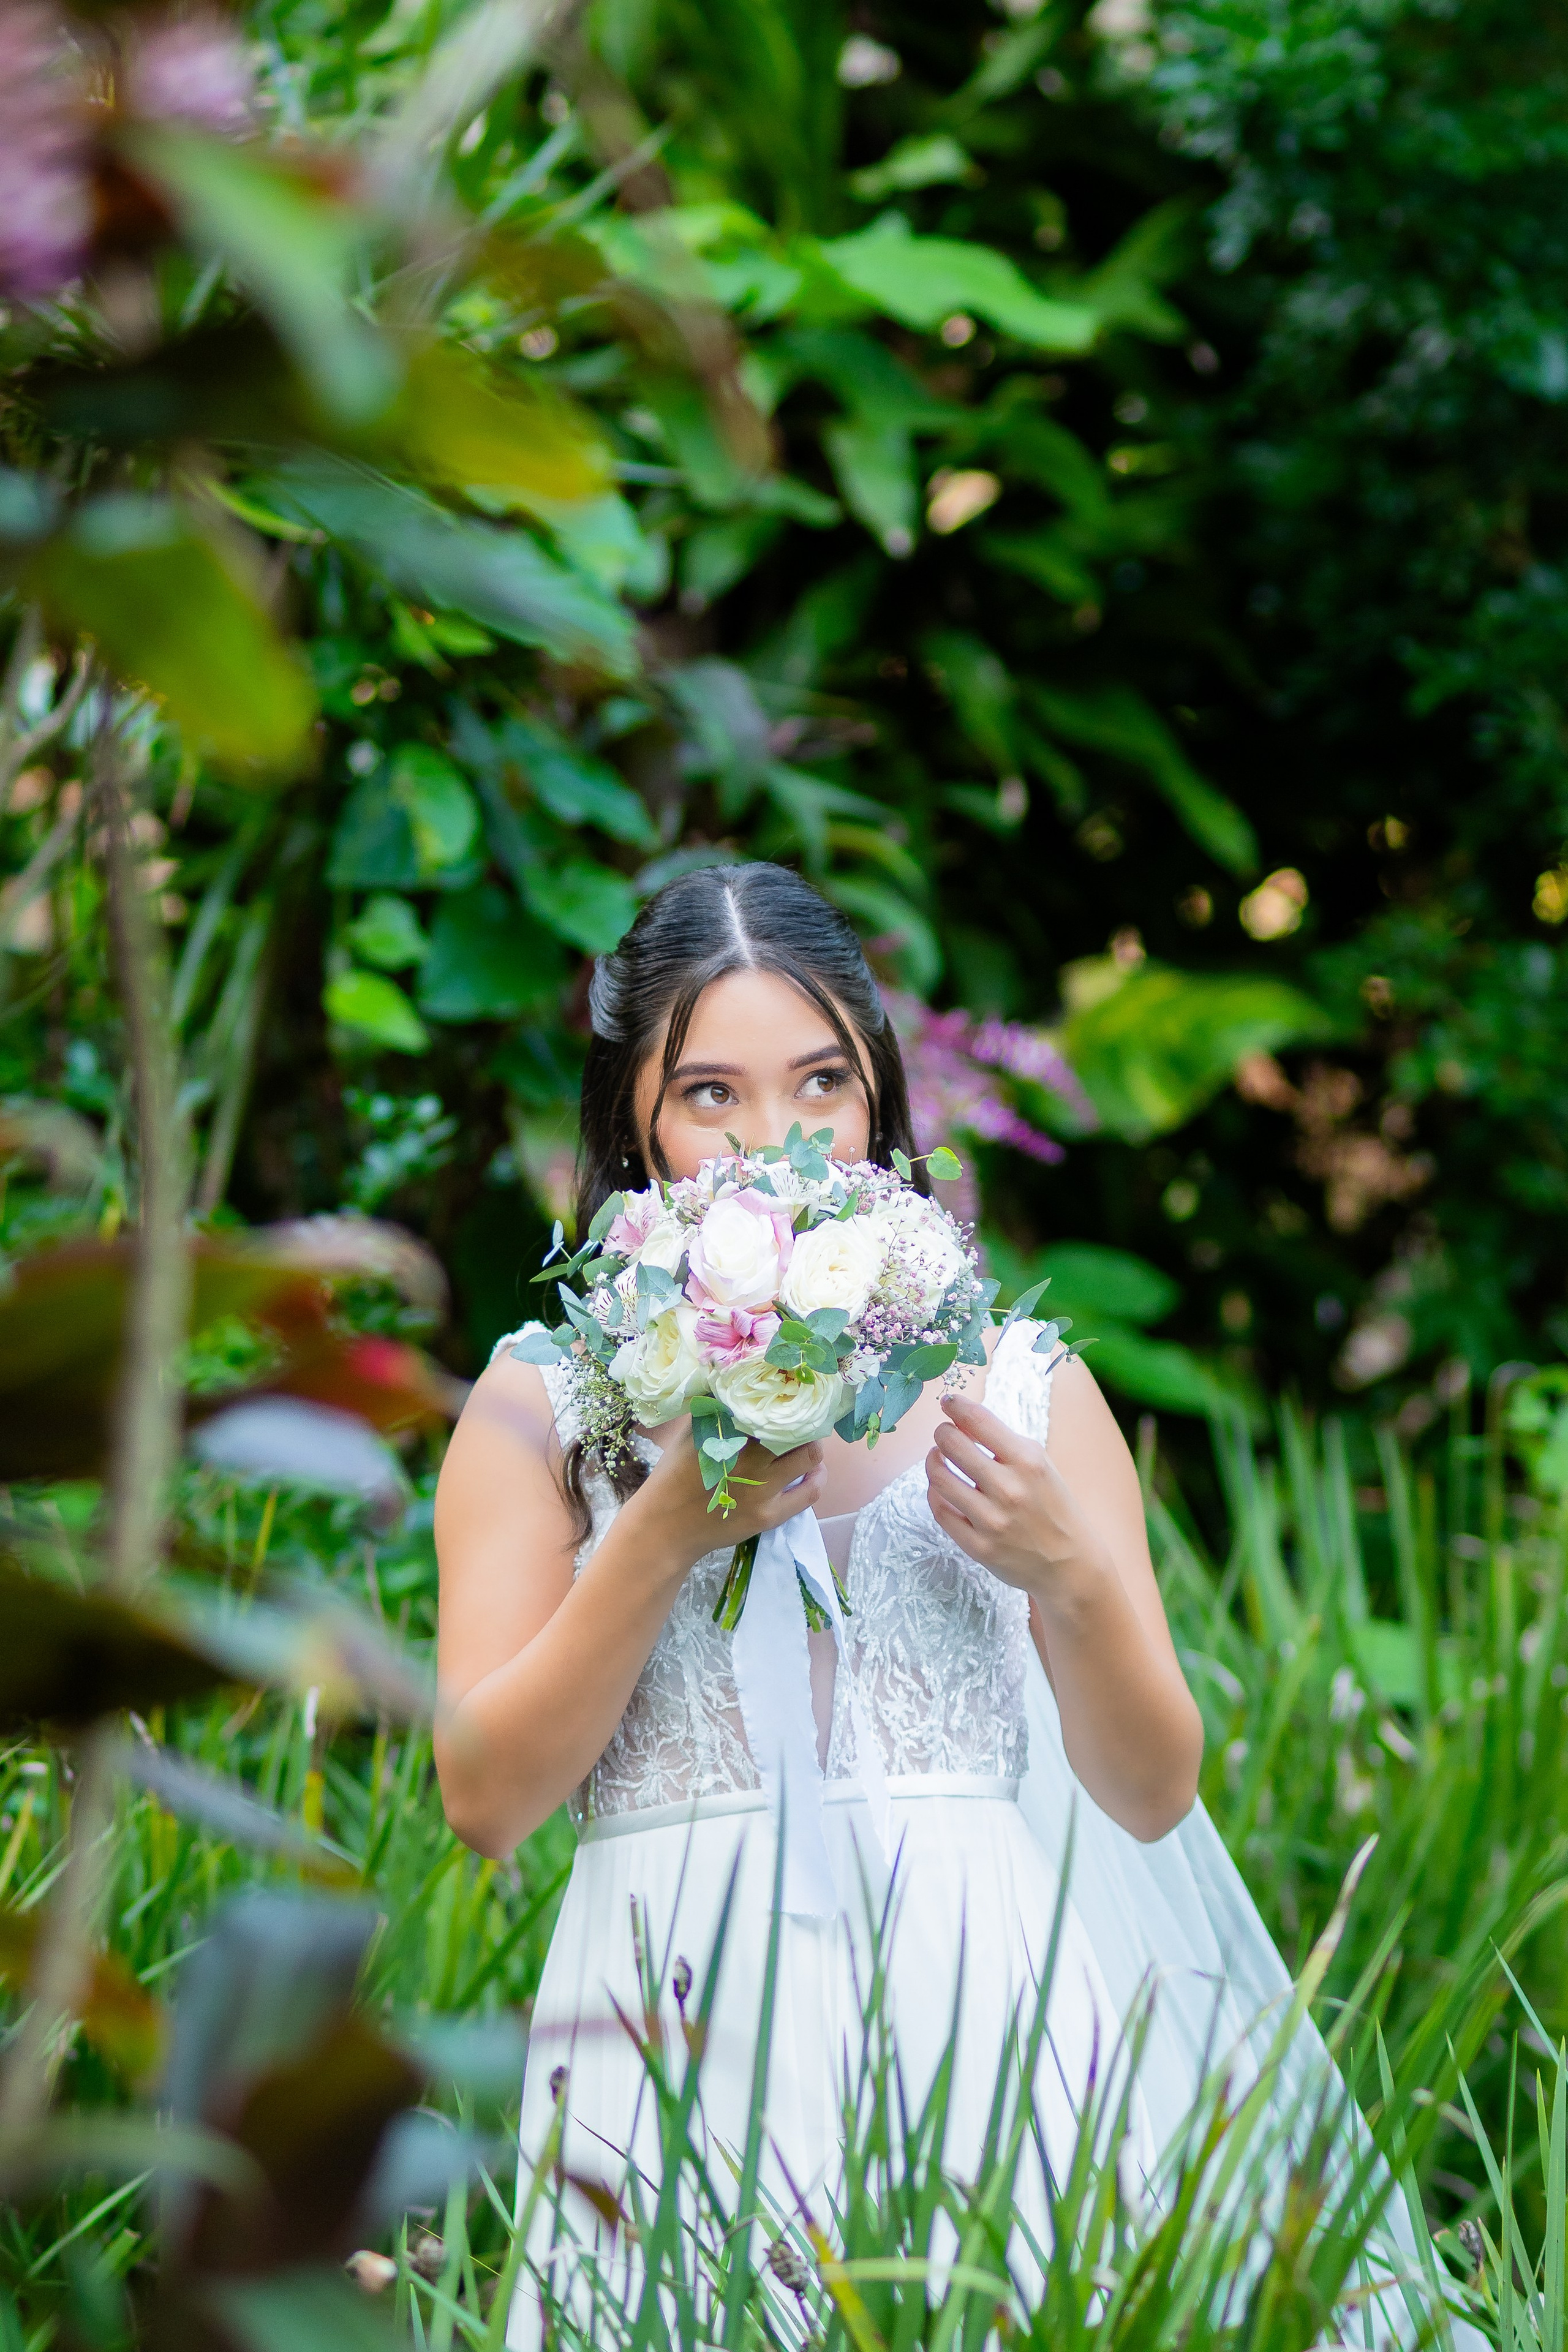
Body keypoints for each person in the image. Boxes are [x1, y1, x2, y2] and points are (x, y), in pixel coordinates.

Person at [433, 862, 1450, 2345]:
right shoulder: (545, 1401)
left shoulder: (1020, 1388)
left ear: (876, 1100)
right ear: (635, 1120)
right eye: (707, 1093)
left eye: (818, 1085)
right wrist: (655, 1537)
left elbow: (1154, 1790)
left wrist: (1066, 1571)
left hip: (992, 2019)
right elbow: (482, 1796)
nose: (771, 1139)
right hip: (671, 2024)